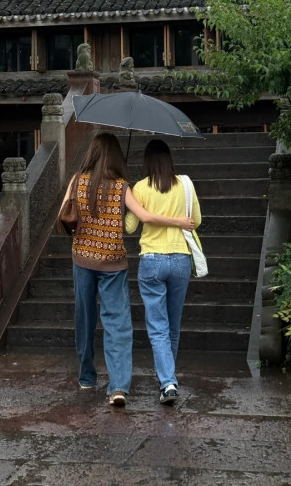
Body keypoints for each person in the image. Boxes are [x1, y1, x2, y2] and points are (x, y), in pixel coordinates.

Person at [58, 132, 193, 408]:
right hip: (113, 262)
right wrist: (178, 221)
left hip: (82, 257)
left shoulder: (77, 180)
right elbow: (143, 218)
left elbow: (63, 213)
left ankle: (86, 376)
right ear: (116, 157)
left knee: (84, 316)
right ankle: (118, 386)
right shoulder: (122, 187)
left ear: (92, 154)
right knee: (117, 324)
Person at [125, 138, 202, 405]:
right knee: (173, 323)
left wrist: (130, 203)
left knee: (157, 325)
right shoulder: (185, 184)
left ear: (147, 161)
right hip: (180, 258)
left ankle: (167, 382)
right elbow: (197, 221)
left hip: (152, 260)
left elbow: (131, 227)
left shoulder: (140, 187)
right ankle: (167, 379)